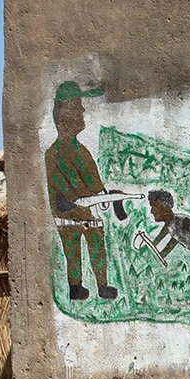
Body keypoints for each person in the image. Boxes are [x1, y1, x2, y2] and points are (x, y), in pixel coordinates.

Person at [46, 80, 119, 302]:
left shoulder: (81, 151)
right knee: (73, 251)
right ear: (63, 115)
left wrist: (105, 195)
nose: (82, 111)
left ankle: (102, 285)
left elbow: (94, 181)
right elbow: (67, 187)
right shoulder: (54, 153)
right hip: (69, 215)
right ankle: (75, 286)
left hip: (88, 213)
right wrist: (80, 200)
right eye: (77, 106)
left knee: (97, 246)